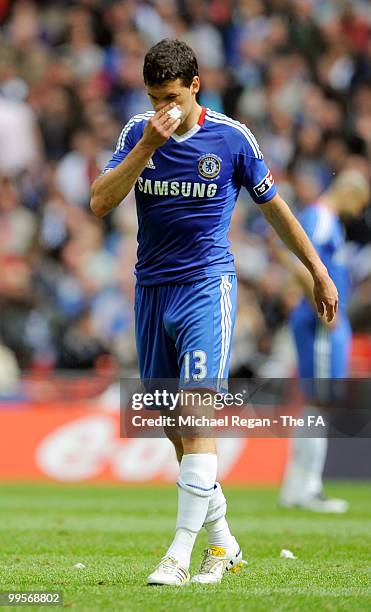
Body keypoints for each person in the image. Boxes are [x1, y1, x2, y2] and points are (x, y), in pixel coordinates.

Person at [90, 39, 338, 586]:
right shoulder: (138, 132)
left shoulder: (231, 138)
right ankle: (223, 542)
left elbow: (276, 210)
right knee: (171, 422)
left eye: (172, 97)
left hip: (206, 286)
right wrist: (144, 150)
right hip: (150, 290)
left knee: (196, 410)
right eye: (155, 98)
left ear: (196, 84)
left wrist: (318, 270)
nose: (164, 110)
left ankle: (179, 554)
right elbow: (100, 202)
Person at [279, 170, 370, 512]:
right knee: (320, 400)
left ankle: (295, 487)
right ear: (349, 192)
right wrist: (322, 311)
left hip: (325, 321)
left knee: (317, 402)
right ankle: (308, 488)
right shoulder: (321, 217)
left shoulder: (325, 218)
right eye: (358, 203)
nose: (356, 212)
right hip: (322, 323)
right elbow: (297, 262)